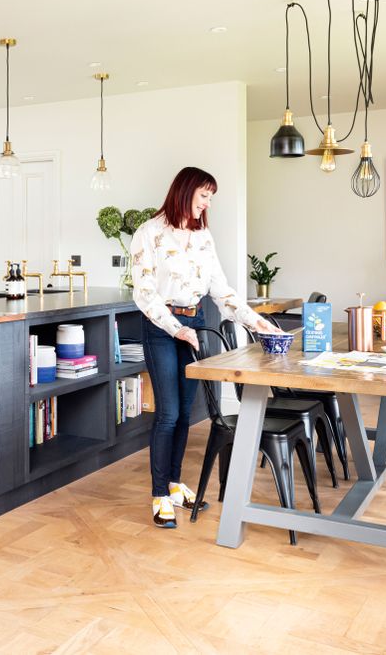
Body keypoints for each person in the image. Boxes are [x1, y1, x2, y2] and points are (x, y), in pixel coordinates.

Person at [130, 166, 280, 528]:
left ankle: (175, 483)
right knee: (167, 413)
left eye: (210, 197)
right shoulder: (148, 234)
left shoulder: (202, 237)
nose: (206, 204)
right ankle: (159, 495)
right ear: (184, 191)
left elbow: (221, 290)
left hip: (194, 323)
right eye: (203, 196)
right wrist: (177, 329)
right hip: (162, 326)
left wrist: (253, 320)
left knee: (185, 411)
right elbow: (145, 294)